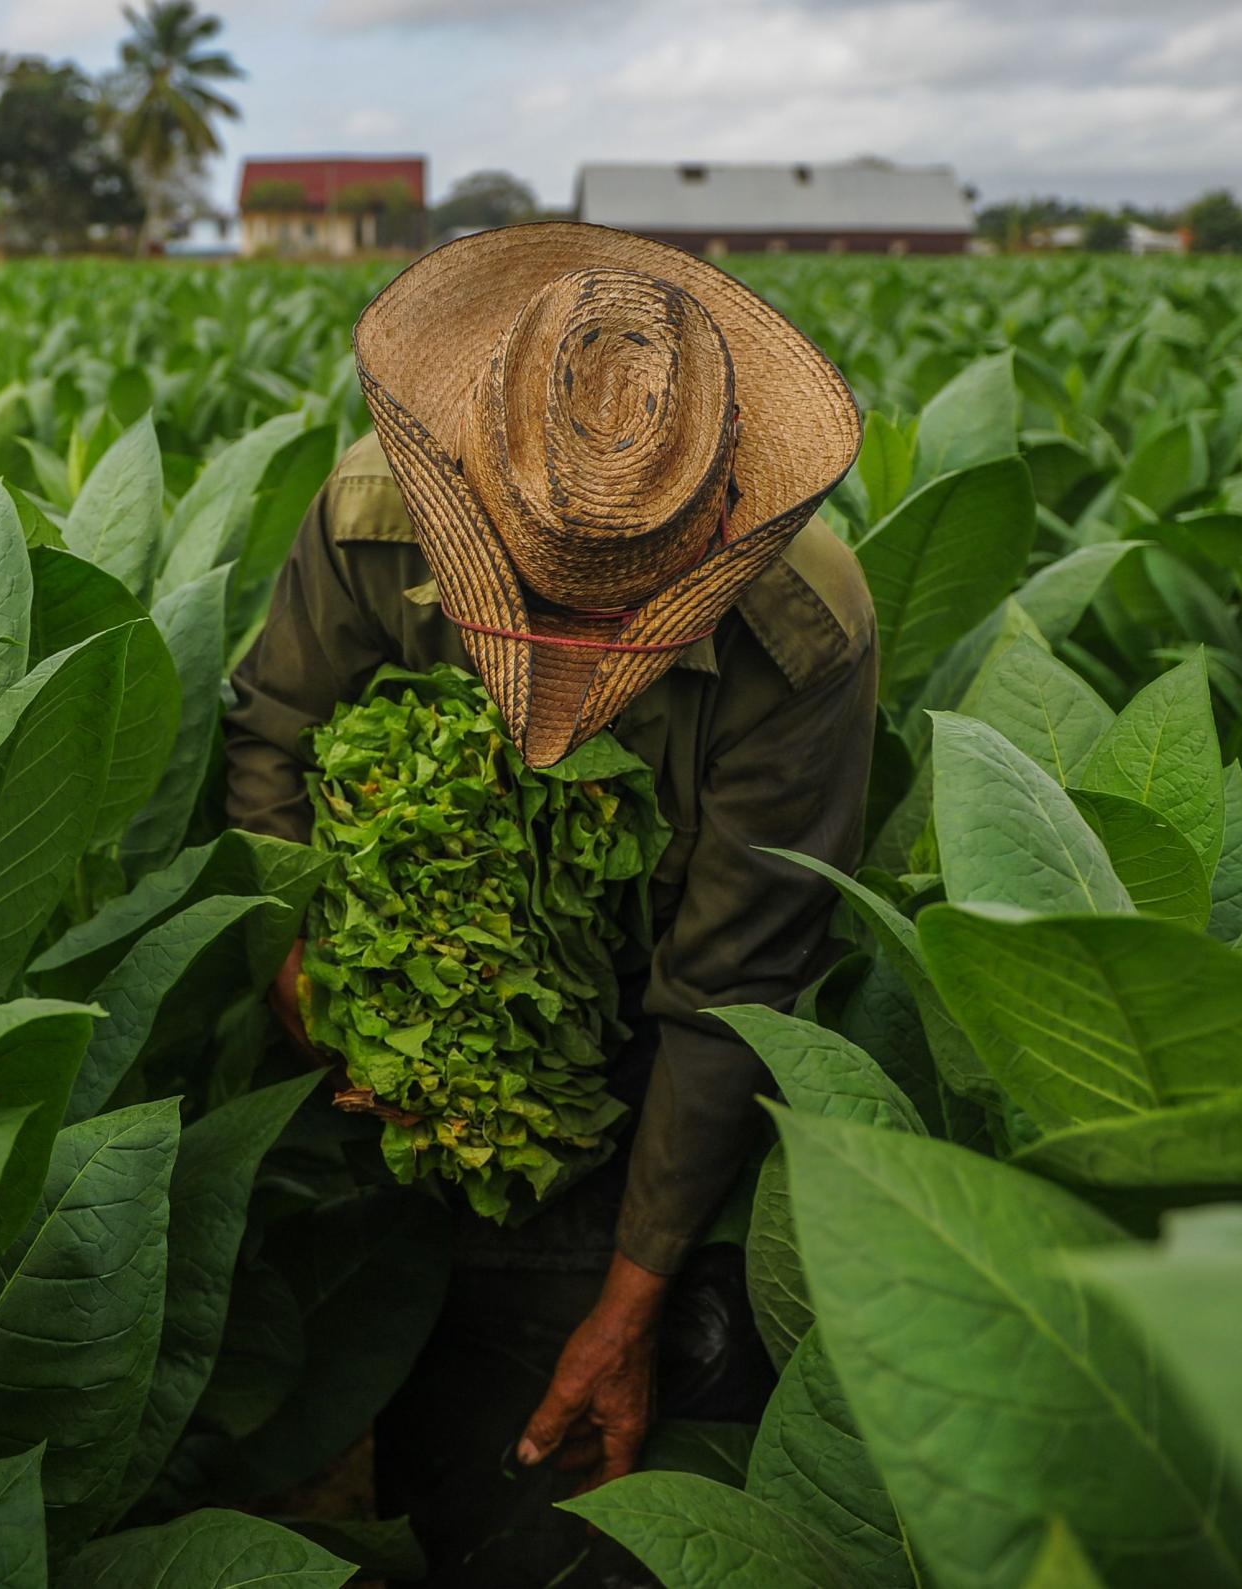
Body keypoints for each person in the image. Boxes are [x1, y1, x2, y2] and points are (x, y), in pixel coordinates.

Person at [221, 223, 877, 1587]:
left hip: (645, 1079)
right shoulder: (368, 516)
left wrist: (631, 1299)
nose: (570, 676)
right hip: (394, 1078)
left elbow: (728, 994)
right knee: (428, 1438)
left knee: (582, 1509)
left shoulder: (802, 637)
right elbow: (270, 748)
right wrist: (299, 970)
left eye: (617, 617)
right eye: (537, 602)